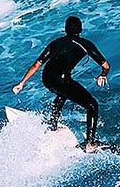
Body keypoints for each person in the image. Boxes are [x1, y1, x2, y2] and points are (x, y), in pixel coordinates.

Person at [13, 16, 110, 150]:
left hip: (47, 78)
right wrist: (102, 75)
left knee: (62, 93)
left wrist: (22, 83)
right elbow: (106, 66)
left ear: (65, 29)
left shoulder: (55, 43)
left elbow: (36, 65)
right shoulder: (86, 44)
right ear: (81, 29)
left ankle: (52, 125)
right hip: (63, 80)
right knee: (92, 105)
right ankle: (91, 142)